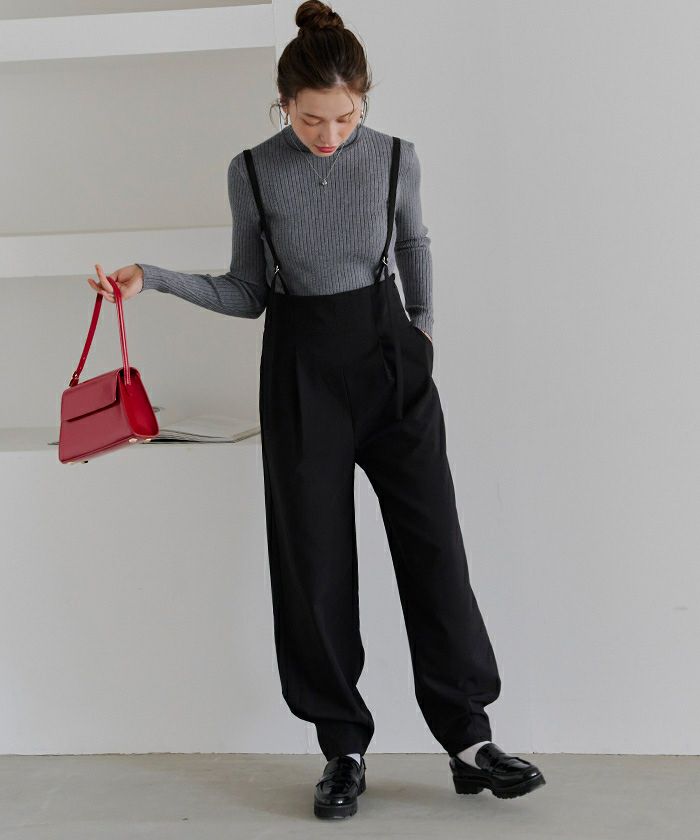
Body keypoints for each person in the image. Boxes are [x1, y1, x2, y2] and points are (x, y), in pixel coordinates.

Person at [88, 0, 546, 821]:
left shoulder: (397, 157)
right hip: (302, 372)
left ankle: (470, 740)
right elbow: (247, 291)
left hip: (392, 364)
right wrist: (151, 278)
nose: (329, 134)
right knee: (315, 564)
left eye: (345, 117)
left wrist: (423, 331)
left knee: (435, 548)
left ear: (364, 101)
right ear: (283, 104)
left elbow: (414, 243)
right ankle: (343, 749)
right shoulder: (254, 171)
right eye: (310, 119)